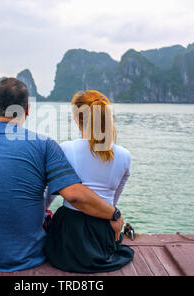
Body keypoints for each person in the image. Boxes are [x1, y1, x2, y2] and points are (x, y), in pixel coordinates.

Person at [0, 78, 125, 272]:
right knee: (46, 215)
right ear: (27, 110)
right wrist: (114, 213)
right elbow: (75, 195)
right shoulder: (44, 145)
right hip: (27, 255)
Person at [45, 90, 134, 273]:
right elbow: (112, 203)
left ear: (78, 119)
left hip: (68, 237)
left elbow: (48, 197)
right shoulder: (125, 156)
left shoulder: (66, 149)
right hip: (103, 233)